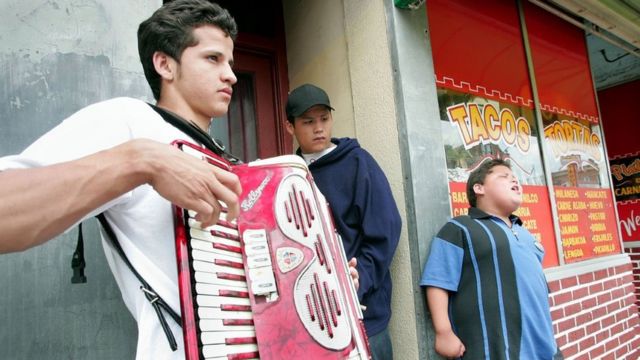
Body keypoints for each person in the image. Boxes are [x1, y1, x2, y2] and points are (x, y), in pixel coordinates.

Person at [0, 0, 242, 358]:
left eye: (231, 62)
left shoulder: (225, 160)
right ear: (165, 64)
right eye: (213, 58)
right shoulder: (128, 121)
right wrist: (139, 160)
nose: (231, 75)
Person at [284, 83, 402, 360]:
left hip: (364, 318)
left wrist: (360, 278)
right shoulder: (290, 173)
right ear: (290, 127)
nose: (319, 128)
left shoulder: (358, 162)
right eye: (308, 121)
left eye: (324, 119)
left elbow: (386, 229)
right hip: (313, 321)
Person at [420, 159, 561, 359]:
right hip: (496, 351)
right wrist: (444, 331)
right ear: (479, 188)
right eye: (504, 176)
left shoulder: (526, 234)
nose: (515, 181)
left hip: (545, 348)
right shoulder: (460, 228)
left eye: (515, 178)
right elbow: (437, 281)